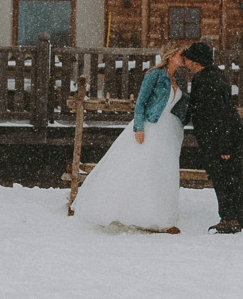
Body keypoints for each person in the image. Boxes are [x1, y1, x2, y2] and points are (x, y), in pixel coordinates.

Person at [72, 45, 189, 232]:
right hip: (152, 125)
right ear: (170, 56)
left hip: (170, 129)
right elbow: (141, 102)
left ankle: (163, 217)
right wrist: (139, 127)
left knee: (164, 171)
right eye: (181, 54)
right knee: (142, 168)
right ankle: (134, 212)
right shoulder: (154, 75)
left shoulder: (180, 79)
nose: (184, 57)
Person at [179, 41, 243, 233]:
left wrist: (224, 146)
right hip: (221, 138)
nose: (185, 61)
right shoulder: (208, 76)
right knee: (228, 178)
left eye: (188, 58)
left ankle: (230, 219)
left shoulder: (208, 80)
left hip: (223, 140)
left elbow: (222, 113)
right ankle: (235, 218)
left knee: (226, 178)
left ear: (196, 62)